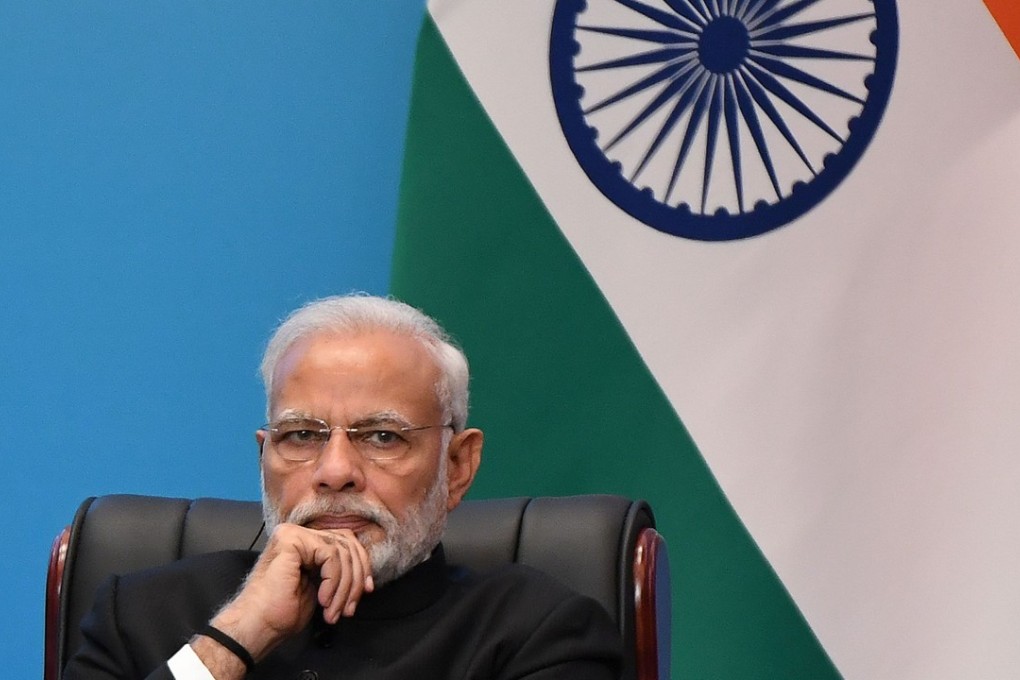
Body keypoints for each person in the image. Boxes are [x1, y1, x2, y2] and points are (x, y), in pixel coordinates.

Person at [63, 294, 622, 680]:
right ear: (265, 457)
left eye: (382, 436)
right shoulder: (137, 616)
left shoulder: (540, 635)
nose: (334, 471)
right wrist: (234, 640)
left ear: (456, 466)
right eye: (301, 435)